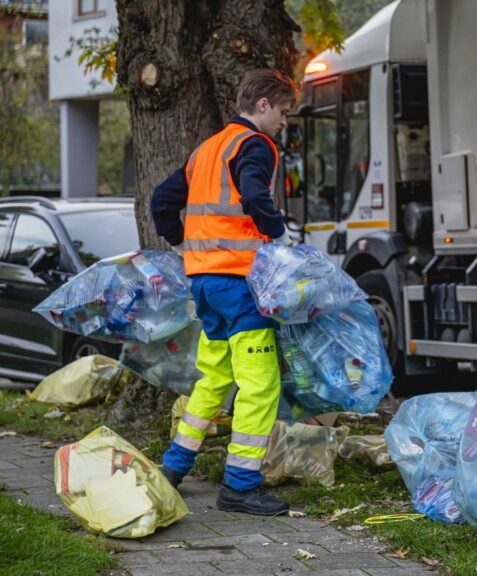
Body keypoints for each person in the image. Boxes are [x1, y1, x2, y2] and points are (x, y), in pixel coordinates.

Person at [151, 69, 298, 516]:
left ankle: (174, 468)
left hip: (205, 284)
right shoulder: (256, 145)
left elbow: (161, 200)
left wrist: (181, 244)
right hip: (239, 283)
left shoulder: (207, 149)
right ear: (263, 106)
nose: (284, 124)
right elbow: (255, 197)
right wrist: (279, 235)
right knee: (260, 383)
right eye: (284, 113)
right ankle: (239, 485)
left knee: (214, 378)